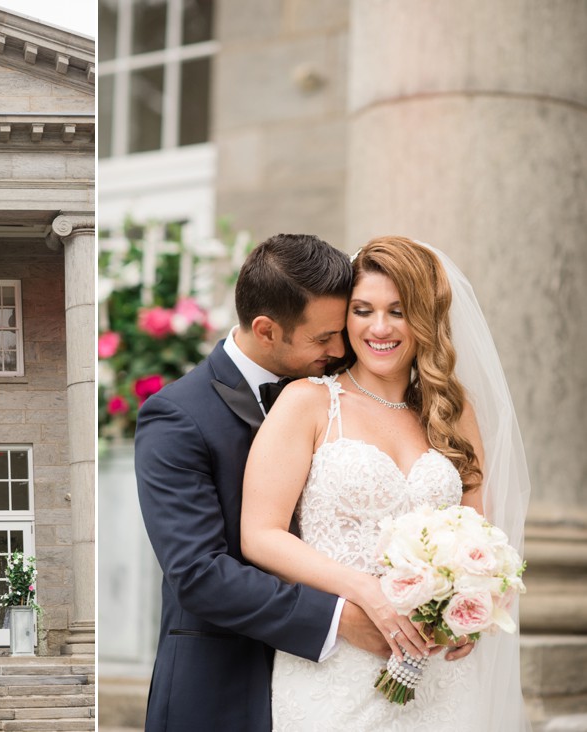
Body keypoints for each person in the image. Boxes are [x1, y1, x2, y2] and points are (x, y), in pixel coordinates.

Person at [241, 236, 530, 730]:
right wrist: (365, 593)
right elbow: (260, 535)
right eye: (363, 309)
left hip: (438, 669)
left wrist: (474, 607)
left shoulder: (451, 415)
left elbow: (483, 534)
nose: (379, 328)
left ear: (425, 318)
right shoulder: (308, 402)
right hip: (337, 663)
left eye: (398, 311)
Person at [135, 233, 390, 732]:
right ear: (266, 329)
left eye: (342, 330)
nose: (341, 349)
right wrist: (337, 618)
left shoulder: (348, 388)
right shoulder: (176, 416)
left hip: (345, 693)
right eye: (323, 339)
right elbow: (199, 573)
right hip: (222, 690)